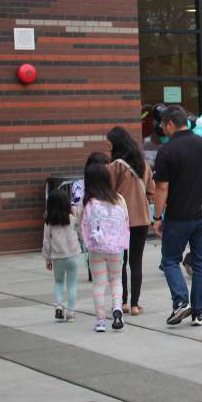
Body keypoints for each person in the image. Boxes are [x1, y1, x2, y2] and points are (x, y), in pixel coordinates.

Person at [152, 105, 202, 327]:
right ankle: (199, 313)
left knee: (170, 260)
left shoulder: (167, 151)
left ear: (170, 124)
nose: (162, 129)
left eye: (163, 125)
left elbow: (161, 187)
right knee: (201, 265)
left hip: (178, 216)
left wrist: (157, 216)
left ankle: (181, 301)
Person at [106, 126, 154, 316]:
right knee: (136, 262)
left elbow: (108, 193)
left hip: (120, 220)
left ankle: (123, 302)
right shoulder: (143, 163)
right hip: (141, 219)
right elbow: (151, 191)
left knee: (120, 262)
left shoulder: (114, 166)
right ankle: (135, 305)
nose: (107, 147)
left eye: (109, 143)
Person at [77, 164, 130, 333]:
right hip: (116, 248)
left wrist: (86, 243)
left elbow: (82, 226)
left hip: (96, 248)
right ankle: (117, 308)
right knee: (116, 280)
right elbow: (126, 223)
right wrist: (123, 244)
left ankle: (100, 321)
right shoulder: (119, 199)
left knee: (99, 284)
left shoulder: (89, 203)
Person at [44, 188, 81, 323]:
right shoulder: (72, 219)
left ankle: (59, 305)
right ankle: (71, 313)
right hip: (72, 256)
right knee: (72, 285)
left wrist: (47, 259)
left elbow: (46, 242)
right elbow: (79, 232)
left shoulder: (48, 223)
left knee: (59, 282)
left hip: (57, 257)